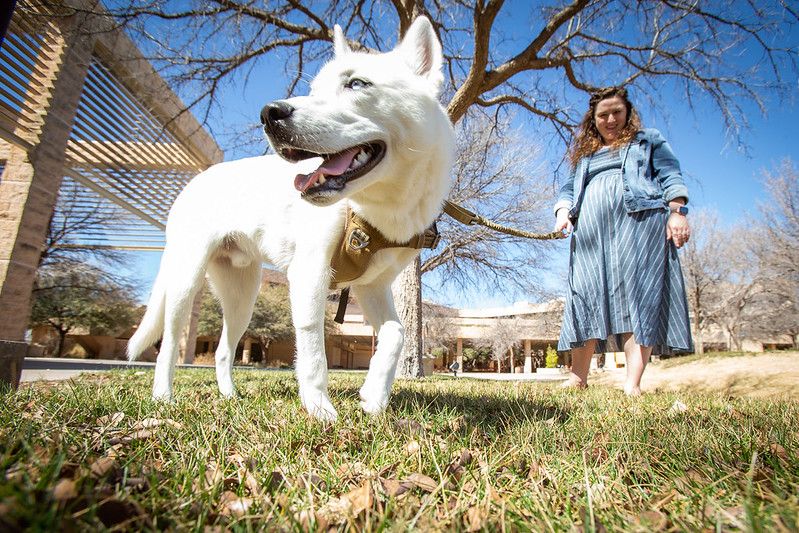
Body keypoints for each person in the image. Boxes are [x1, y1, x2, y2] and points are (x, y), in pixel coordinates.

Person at [553, 86, 693, 395]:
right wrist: (563, 211)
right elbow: (567, 188)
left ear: (627, 112)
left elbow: (671, 175)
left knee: (637, 298)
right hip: (591, 232)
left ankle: (633, 384)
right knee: (584, 296)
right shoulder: (586, 155)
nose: (611, 119)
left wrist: (678, 212)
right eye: (603, 115)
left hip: (640, 227)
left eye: (617, 111)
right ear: (594, 119)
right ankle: (579, 378)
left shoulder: (648, 141)